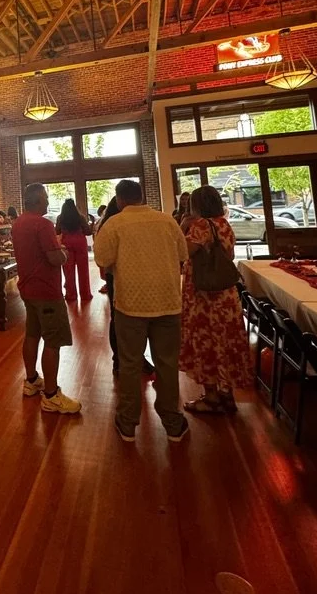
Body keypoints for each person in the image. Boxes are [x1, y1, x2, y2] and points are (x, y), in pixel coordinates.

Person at [94, 180, 189, 443]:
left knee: (130, 363)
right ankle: (172, 421)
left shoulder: (114, 224)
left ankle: (128, 423)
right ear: (141, 197)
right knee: (167, 363)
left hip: (131, 303)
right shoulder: (167, 221)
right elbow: (183, 253)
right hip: (168, 301)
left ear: (120, 200)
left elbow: (102, 259)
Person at [180, 185, 253, 413]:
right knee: (225, 343)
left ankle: (211, 396)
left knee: (206, 342)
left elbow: (183, 252)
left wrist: (182, 227)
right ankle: (227, 394)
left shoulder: (200, 226)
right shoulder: (225, 224)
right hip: (227, 295)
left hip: (204, 296)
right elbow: (229, 254)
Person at [11, 183, 81, 414]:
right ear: (36, 200)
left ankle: (31, 381)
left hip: (28, 288)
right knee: (53, 340)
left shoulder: (18, 223)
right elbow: (53, 258)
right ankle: (51, 395)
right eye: (45, 198)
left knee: (32, 334)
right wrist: (63, 252)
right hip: (46, 291)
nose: (48, 202)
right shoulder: (43, 224)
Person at [95, 195, 155, 377]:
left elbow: (102, 259)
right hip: (133, 276)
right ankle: (131, 359)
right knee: (134, 318)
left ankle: (120, 361)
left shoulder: (108, 225)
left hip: (115, 276)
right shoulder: (119, 225)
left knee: (118, 319)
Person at [55, 198, 93, 302]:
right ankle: (85, 295)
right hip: (80, 243)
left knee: (68, 271)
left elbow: (57, 231)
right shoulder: (80, 217)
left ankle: (71, 296)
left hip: (66, 244)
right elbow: (88, 232)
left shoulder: (60, 218)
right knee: (83, 271)